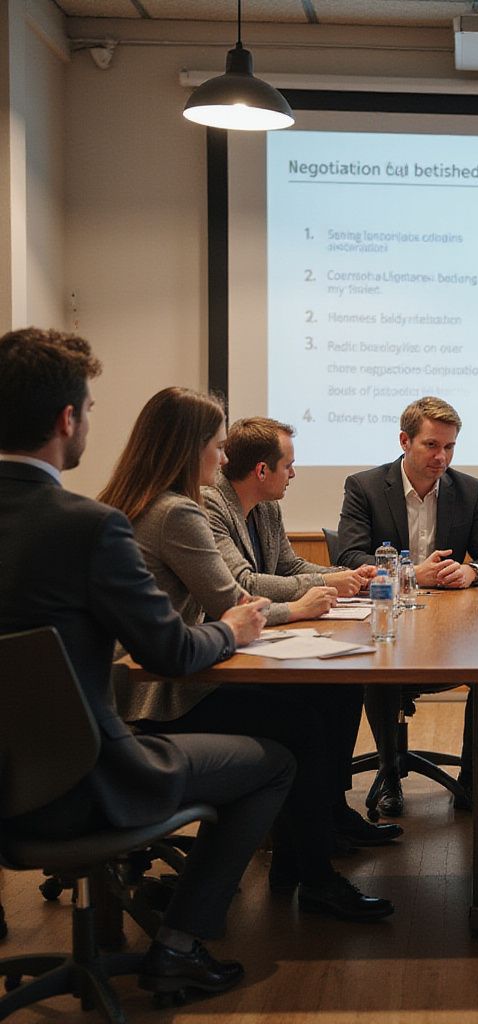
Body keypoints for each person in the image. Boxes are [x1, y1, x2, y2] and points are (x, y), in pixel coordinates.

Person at [0, 327, 294, 999]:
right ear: (67, 419)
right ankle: (180, 945)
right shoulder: (85, 525)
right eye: (91, 410)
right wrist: (229, 626)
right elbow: (170, 652)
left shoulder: (102, 516)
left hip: (7, 785)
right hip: (81, 783)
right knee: (274, 762)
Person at [99, 387, 394, 923]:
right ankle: (313, 876)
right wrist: (300, 610)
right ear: (192, 451)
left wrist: (331, 584)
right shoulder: (178, 513)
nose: (223, 456)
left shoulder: (135, 503)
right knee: (300, 724)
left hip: (142, 681)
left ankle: (302, 857)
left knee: (320, 702)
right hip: (162, 691)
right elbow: (233, 600)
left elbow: (276, 574)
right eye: (216, 445)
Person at [202, 415, 398, 846]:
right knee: (312, 708)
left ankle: (331, 811)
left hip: (258, 638)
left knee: (342, 687)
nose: (293, 474)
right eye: (288, 465)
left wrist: (347, 574)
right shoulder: (209, 506)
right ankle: (306, 833)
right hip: (222, 655)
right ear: (261, 471)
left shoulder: (267, 506)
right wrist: (317, 588)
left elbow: (289, 566)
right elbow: (243, 584)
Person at [336, 395, 478, 814]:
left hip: (452, 626)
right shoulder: (365, 486)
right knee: (380, 668)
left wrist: (472, 573)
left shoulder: (468, 490)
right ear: (404, 441)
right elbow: (348, 557)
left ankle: (475, 780)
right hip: (387, 622)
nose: (441, 457)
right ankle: (389, 772)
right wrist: (412, 573)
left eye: (449, 447)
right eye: (431, 445)